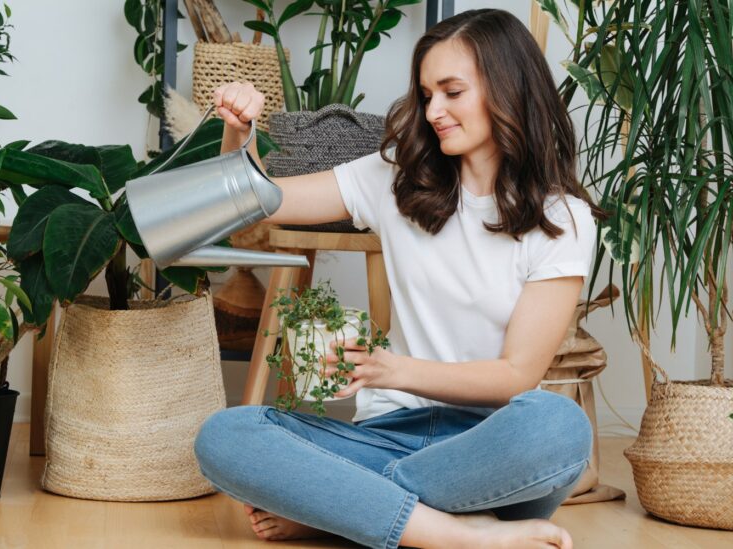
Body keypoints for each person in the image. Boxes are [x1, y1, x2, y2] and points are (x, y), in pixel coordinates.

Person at [194, 8, 606, 549]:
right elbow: (258, 205)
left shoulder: (563, 219)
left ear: (507, 90)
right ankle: (463, 535)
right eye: (426, 93)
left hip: (485, 452)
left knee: (559, 425)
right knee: (225, 435)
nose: (434, 110)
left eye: (452, 91)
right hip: (384, 437)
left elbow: (515, 376)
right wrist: (239, 132)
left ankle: (343, 509)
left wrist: (393, 370)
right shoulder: (395, 177)